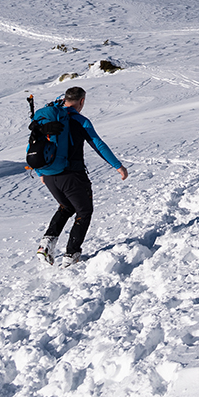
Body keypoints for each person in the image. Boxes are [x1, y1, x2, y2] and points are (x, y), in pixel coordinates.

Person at [34, 86, 127, 265]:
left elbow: (35, 142)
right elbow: (98, 145)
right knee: (84, 211)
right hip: (72, 175)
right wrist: (119, 166)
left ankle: (46, 244)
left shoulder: (48, 116)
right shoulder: (79, 120)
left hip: (48, 174)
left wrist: (40, 172)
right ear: (82, 101)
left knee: (66, 206)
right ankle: (71, 255)